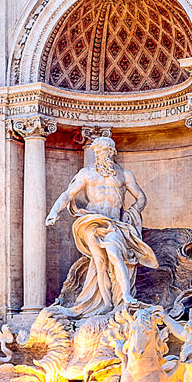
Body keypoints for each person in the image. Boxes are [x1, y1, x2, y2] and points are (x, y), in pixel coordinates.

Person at [44, 133, 158, 317]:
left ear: (112, 152)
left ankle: (126, 296)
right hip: (91, 220)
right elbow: (68, 194)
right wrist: (54, 211)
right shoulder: (87, 173)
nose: (100, 155)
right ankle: (104, 303)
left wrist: (133, 211)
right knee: (99, 262)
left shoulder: (124, 175)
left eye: (104, 151)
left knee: (114, 252)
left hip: (114, 223)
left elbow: (141, 197)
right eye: (97, 152)